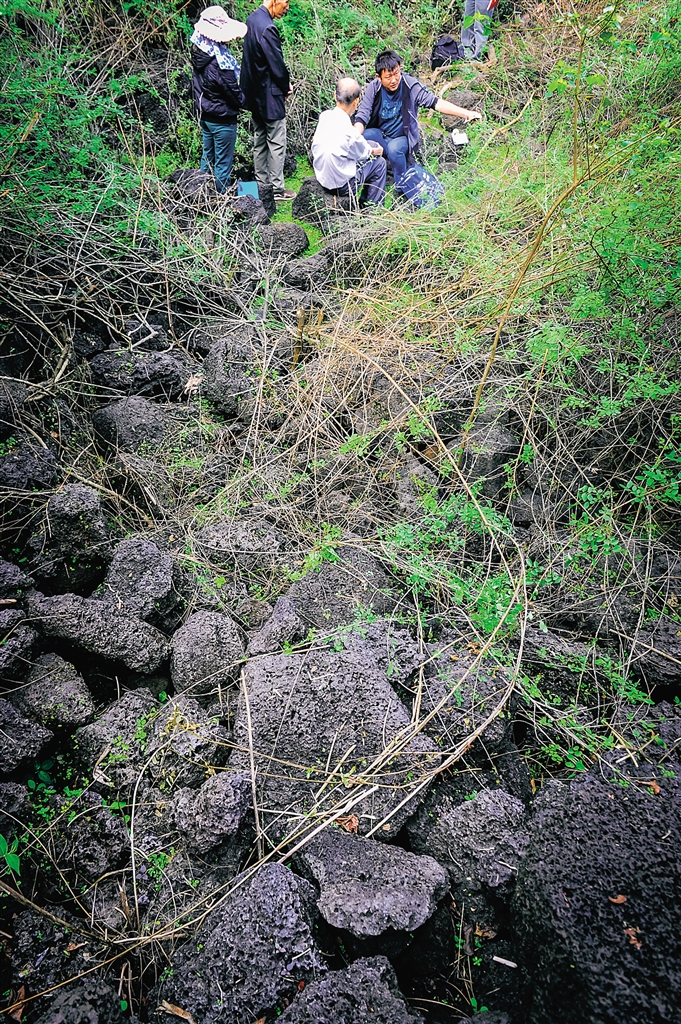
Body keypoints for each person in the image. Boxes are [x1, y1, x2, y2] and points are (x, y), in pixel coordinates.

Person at [354, 49, 482, 179]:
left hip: (402, 138)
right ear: (379, 77)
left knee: (394, 149)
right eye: (388, 77)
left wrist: (466, 113)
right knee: (362, 136)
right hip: (381, 135)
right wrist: (353, 136)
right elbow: (362, 115)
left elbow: (436, 103)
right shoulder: (374, 87)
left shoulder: (410, 86)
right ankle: (366, 177)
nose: (394, 80)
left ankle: (401, 183)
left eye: (396, 73)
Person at [241, 0, 295, 201]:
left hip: (254, 95)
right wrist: (285, 86)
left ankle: (261, 186)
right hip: (270, 96)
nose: (287, 7)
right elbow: (277, 65)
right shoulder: (268, 28)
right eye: (286, 1)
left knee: (260, 141)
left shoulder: (252, 19)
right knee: (276, 142)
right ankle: (276, 190)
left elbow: (248, 63)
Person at [191, 6, 247, 194]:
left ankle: (201, 196)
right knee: (223, 163)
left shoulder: (200, 53)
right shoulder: (220, 62)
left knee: (207, 159)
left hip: (206, 115)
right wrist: (248, 101)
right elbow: (234, 94)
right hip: (222, 119)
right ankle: (220, 204)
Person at [311, 78, 387, 209]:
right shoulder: (350, 133)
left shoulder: (325, 116)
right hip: (342, 185)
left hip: (323, 177)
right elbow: (364, 153)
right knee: (379, 164)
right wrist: (376, 151)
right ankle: (371, 209)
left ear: (335, 95)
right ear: (356, 101)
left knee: (369, 144)